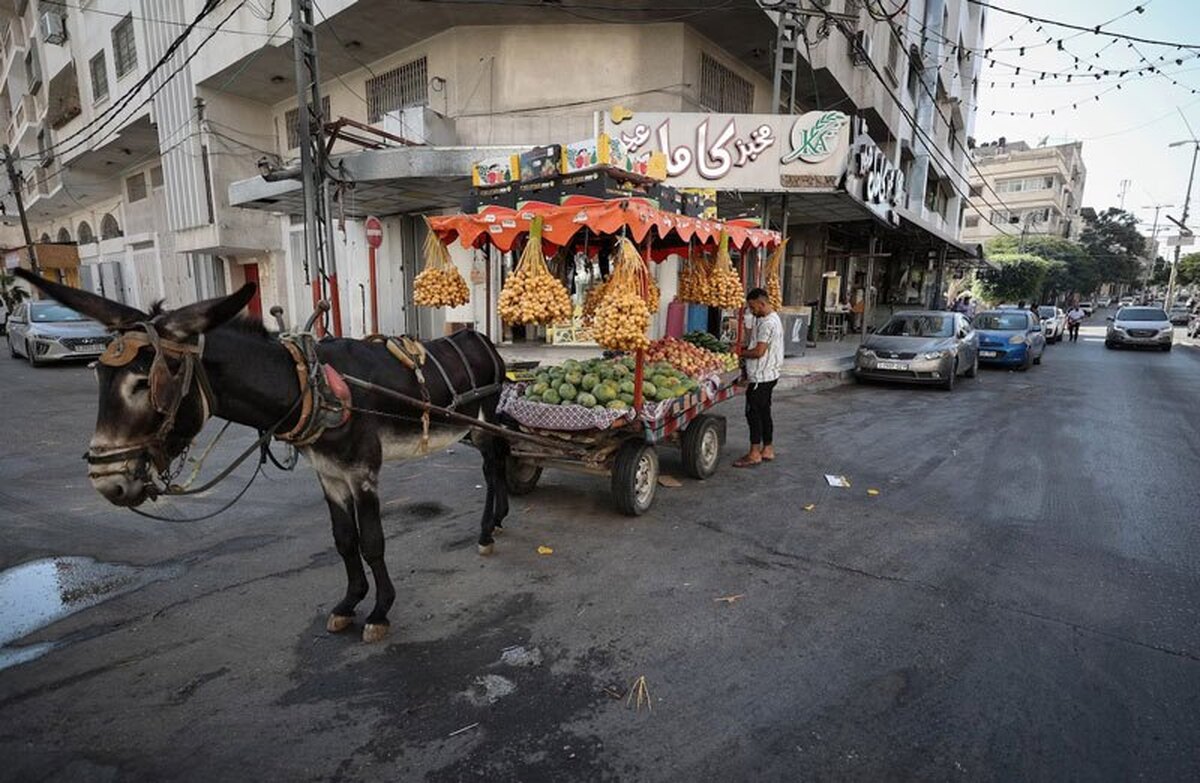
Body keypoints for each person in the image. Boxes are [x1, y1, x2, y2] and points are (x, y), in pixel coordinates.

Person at [734, 288, 784, 468]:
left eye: (753, 307)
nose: (751, 310)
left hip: (761, 377)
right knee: (764, 412)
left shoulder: (767, 323)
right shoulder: (772, 318)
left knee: (753, 414)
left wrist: (739, 353)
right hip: (770, 375)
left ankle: (754, 453)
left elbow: (758, 352)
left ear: (762, 303)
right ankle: (768, 449)